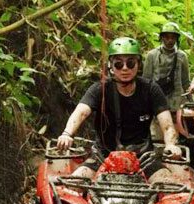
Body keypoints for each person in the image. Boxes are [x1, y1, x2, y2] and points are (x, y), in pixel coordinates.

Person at [56, 37, 181, 183]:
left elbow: (167, 125)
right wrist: (67, 134)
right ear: (111, 66)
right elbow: (81, 112)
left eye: (130, 63)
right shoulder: (99, 89)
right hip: (103, 155)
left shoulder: (151, 89)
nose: (125, 68)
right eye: (119, 64)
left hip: (143, 157)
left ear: (138, 64)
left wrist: (171, 145)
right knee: (73, 185)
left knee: (168, 187)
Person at [143, 22, 190, 140]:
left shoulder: (182, 56)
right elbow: (146, 80)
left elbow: (185, 81)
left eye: (173, 37)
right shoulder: (152, 55)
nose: (169, 40)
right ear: (162, 37)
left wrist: (191, 101)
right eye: (166, 37)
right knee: (157, 133)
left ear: (177, 38)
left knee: (175, 134)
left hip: (176, 99)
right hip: (157, 99)